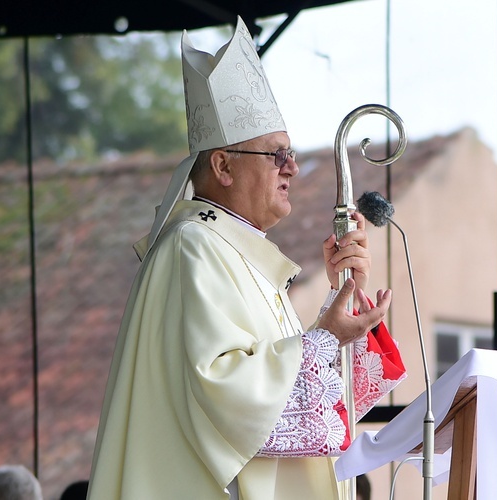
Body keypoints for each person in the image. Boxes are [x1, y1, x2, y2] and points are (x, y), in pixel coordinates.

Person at [87, 16, 406, 500]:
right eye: (276, 155)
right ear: (222, 166)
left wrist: (344, 304)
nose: (293, 169)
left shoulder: (236, 254)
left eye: (292, 154)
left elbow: (314, 415)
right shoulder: (193, 247)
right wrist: (322, 339)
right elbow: (227, 399)